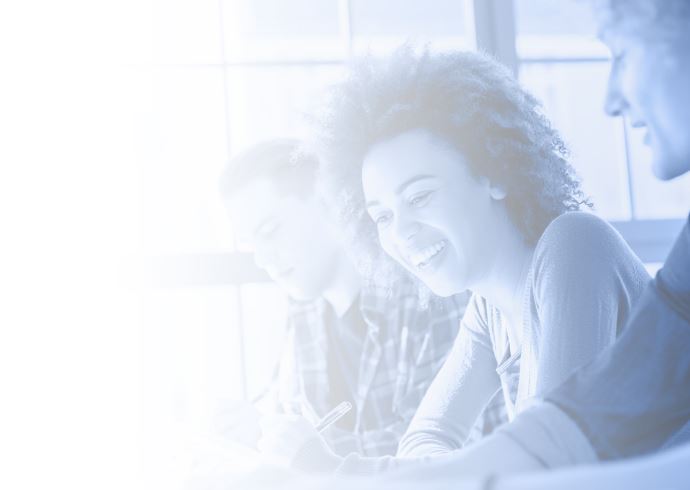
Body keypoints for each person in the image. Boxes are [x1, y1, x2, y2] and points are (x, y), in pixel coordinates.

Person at [256, 48, 650, 474]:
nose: (401, 233)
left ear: (494, 173)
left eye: (420, 197)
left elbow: (546, 466)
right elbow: (424, 439)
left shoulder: (573, 246)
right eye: (382, 216)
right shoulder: (487, 309)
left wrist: (331, 469)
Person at [216, 138, 471, 460]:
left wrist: (303, 450)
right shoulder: (303, 312)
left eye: (269, 230)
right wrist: (251, 431)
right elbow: (282, 414)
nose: (262, 259)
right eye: (250, 244)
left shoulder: (430, 295)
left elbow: (438, 453)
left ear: (327, 203)